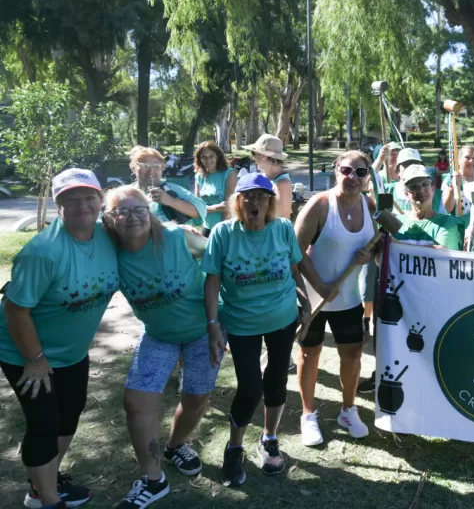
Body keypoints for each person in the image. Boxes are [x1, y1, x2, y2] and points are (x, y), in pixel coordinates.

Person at [0, 169, 118, 509]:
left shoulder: (106, 236)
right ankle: (46, 500)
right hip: (25, 352)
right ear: (58, 203)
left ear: (100, 200)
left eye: (89, 196)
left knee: (70, 414)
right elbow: (15, 311)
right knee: (45, 421)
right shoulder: (43, 253)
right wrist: (35, 360)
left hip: (72, 352)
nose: (82, 204)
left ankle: (46, 480)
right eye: (71, 197)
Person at [104, 186, 216, 509]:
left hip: (202, 331)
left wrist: (219, 323)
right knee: (136, 401)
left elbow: (219, 263)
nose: (132, 217)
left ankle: (175, 445)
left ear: (150, 211)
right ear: (110, 220)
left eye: (139, 209)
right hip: (159, 335)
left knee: (195, 400)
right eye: (121, 212)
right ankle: (154, 481)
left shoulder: (179, 238)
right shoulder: (111, 253)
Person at [202, 173, 312, 486]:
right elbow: (212, 281)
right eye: (247, 196)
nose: (254, 202)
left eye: (261, 196)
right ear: (237, 202)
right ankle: (234, 447)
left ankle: (269, 438)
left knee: (277, 379)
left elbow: (294, 270)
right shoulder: (223, 233)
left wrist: (304, 306)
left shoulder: (283, 229)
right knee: (250, 387)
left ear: (270, 202)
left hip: (282, 318)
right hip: (241, 322)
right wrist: (212, 324)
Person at [294, 151, 376, 446]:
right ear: (335, 171)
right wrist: (319, 284)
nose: (352, 177)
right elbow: (294, 252)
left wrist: (370, 255)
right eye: (346, 170)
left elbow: (375, 246)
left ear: (367, 177)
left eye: (360, 172)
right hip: (314, 297)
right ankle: (307, 415)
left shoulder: (369, 205)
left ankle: (348, 410)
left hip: (349, 298)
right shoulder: (320, 205)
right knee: (309, 354)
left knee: (352, 355)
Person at [130, 146, 207, 225]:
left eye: (156, 166)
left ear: (162, 168)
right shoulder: (126, 193)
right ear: (133, 168)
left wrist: (171, 201)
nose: (151, 171)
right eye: (145, 166)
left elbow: (201, 211)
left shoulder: (169, 189)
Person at [398, 164, 462, 250]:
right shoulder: (396, 224)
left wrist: (395, 244)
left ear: (433, 188)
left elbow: (443, 253)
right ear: (406, 193)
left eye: (425, 184)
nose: (420, 190)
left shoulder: (447, 223)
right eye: (413, 187)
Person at [244, 134, 293, 219]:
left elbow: (283, 220)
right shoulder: (264, 177)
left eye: (253, 153)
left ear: (264, 156)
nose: (253, 158)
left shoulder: (282, 184)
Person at [194, 141, 236, 237]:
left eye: (211, 156)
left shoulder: (229, 174)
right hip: (207, 227)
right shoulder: (199, 177)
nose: (208, 160)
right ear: (199, 159)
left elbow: (228, 207)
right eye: (204, 157)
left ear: (218, 156)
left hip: (225, 227)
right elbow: (196, 207)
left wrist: (221, 229)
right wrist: (216, 208)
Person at [442, 145, 474, 216]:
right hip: (458, 224)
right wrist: (454, 188)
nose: (472, 161)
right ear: (458, 160)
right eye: (467, 157)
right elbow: (446, 209)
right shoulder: (450, 179)